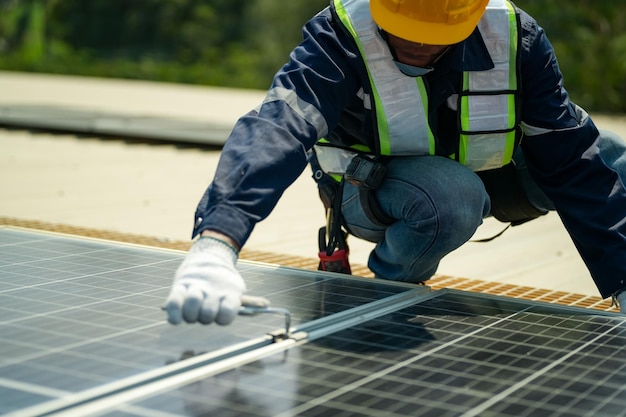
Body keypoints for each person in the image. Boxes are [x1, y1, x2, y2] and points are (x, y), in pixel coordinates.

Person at [164, 0, 626, 325]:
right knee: (451, 194)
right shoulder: (340, 35)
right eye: (406, 29)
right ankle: (384, 294)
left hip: (488, 178)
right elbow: (278, 126)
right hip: (376, 193)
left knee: (608, 156)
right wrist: (217, 242)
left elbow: (573, 161)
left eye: (435, 36)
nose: (418, 45)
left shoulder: (514, 36)